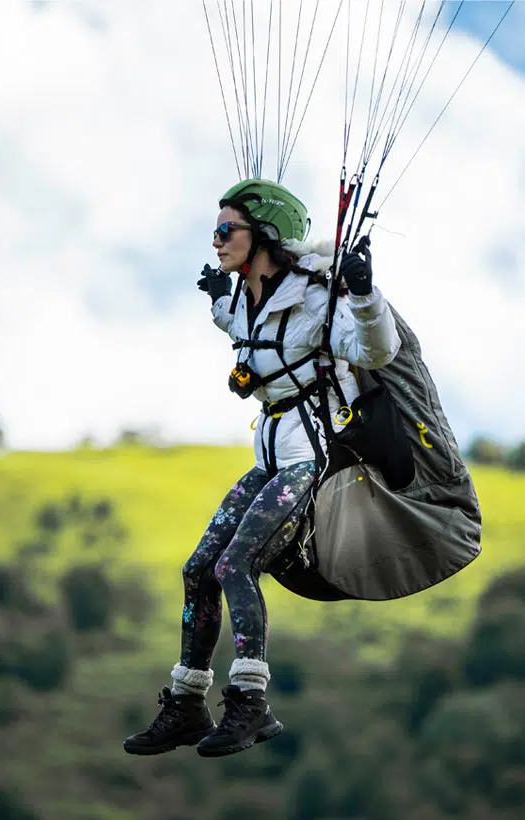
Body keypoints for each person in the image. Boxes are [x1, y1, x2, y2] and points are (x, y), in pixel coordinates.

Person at [123, 179, 401, 758]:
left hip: (308, 458)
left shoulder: (317, 298)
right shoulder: (247, 296)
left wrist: (365, 294)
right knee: (198, 568)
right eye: (216, 230)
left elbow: (375, 351)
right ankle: (186, 705)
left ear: (265, 236)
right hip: (269, 459)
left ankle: (250, 703)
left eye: (228, 230)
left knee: (234, 564)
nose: (217, 240)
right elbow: (242, 330)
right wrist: (216, 301)